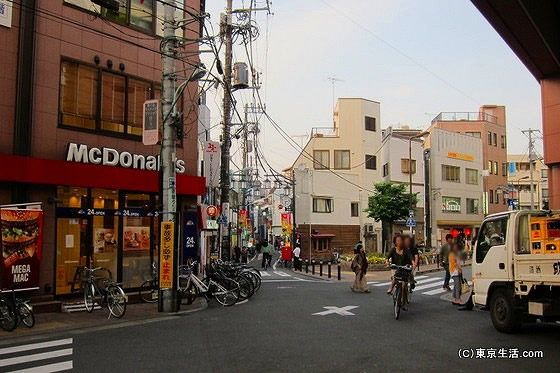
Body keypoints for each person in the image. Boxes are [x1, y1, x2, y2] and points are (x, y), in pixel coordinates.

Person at [385, 234, 413, 307]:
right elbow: (387, 258)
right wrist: (387, 263)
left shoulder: (406, 250)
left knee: (404, 286)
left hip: (404, 268)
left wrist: (413, 264)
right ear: (395, 242)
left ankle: (403, 303)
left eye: (400, 240)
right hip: (395, 268)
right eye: (397, 240)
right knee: (395, 277)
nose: (399, 242)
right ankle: (391, 288)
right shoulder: (393, 250)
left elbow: (411, 258)